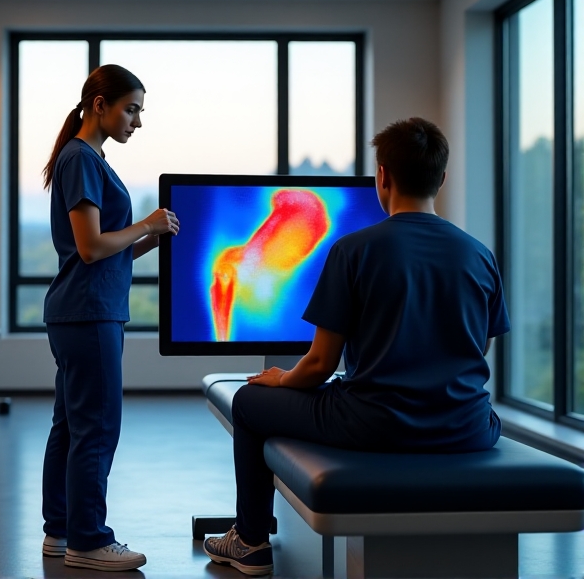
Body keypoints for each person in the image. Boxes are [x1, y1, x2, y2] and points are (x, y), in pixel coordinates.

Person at [203, 117, 510, 576]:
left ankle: (249, 541)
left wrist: (280, 379)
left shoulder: (355, 250)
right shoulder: (479, 254)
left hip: (375, 425)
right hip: (468, 428)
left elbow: (320, 364)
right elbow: (478, 349)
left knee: (247, 402)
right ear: (441, 179)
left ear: (382, 176)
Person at [40, 64, 179, 573]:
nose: (137, 122)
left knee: (71, 426)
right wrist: (143, 223)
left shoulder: (88, 158)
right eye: (132, 109)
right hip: (88, 313)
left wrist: (149, 239)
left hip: (84, 309)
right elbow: (91, 247)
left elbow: (105, 251)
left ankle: (61, 530)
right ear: (101, 104)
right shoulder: (81, 158)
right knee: (96, 428)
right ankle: (89, 539)